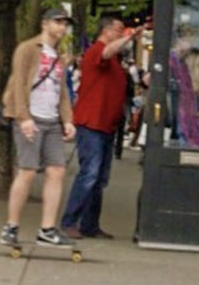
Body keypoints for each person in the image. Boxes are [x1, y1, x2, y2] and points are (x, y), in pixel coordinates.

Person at [0, 8, 77, 249]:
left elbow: (61, 90)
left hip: (51, 119)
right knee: (28, 171)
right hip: (31, 117)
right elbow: (19, 83)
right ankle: (10, 226)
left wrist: (68, 119)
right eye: (57, 22)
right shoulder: (28, 49)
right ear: (44, 24)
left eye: (65, 23)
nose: (62, 27)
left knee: (56, 171)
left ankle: (47, 228)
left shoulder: (60, 55)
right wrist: (23, 117)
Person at [61, 14, 143, 240]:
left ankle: (89, 223)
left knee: (98, 178)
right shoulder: (97, 51)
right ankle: (69, 221)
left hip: (105, 125)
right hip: (92, 123)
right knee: (90, 174)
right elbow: (106, 52)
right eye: (118, 30)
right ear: (106, 31)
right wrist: (130, 37)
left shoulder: (112, 59)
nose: (122, 33)